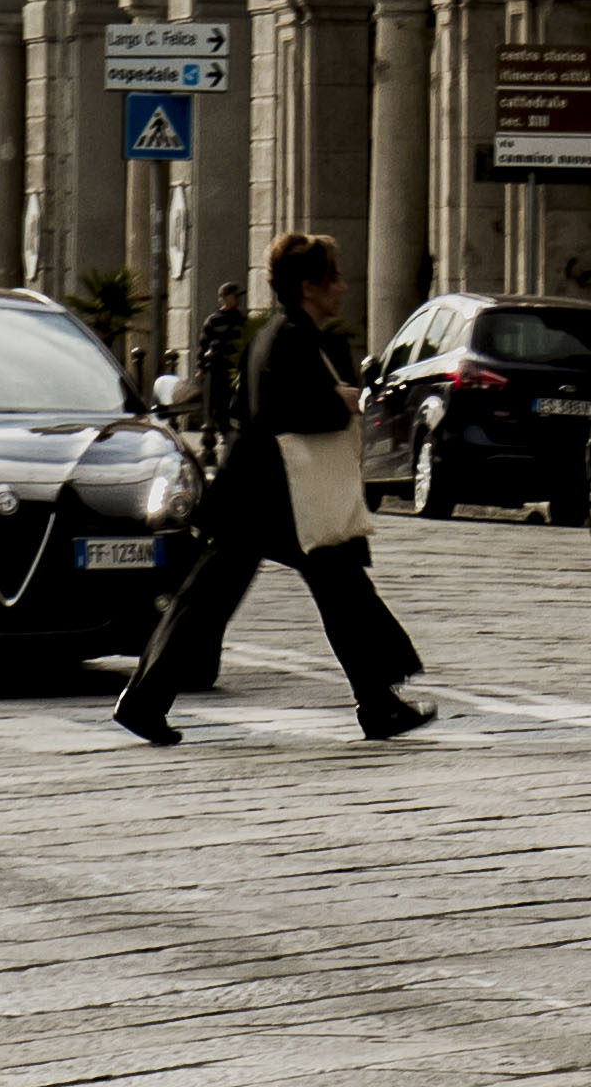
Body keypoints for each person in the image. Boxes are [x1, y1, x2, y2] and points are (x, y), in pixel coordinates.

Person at [114, 232, 429, 745]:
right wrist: (339, 403)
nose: (344, 289)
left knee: (333, 586)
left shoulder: (287, 333)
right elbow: (274, 412)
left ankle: (377, 701)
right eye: (335, 278)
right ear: (309, 286)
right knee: (225, 597)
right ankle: (145, 700)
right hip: (267, 495)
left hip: (270, 492)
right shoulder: (288, 338)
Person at [189, 280, 250, 465]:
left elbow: (246, 342)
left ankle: (226, 436)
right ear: (224, 298)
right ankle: (212, 442)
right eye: (234, 296)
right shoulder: (213, 320)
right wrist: (200, 368)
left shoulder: (240, 320)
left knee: (232, 404)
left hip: (234, 369)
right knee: (214, 405)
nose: (237, 300)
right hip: (216, 368)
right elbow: (203, 345)